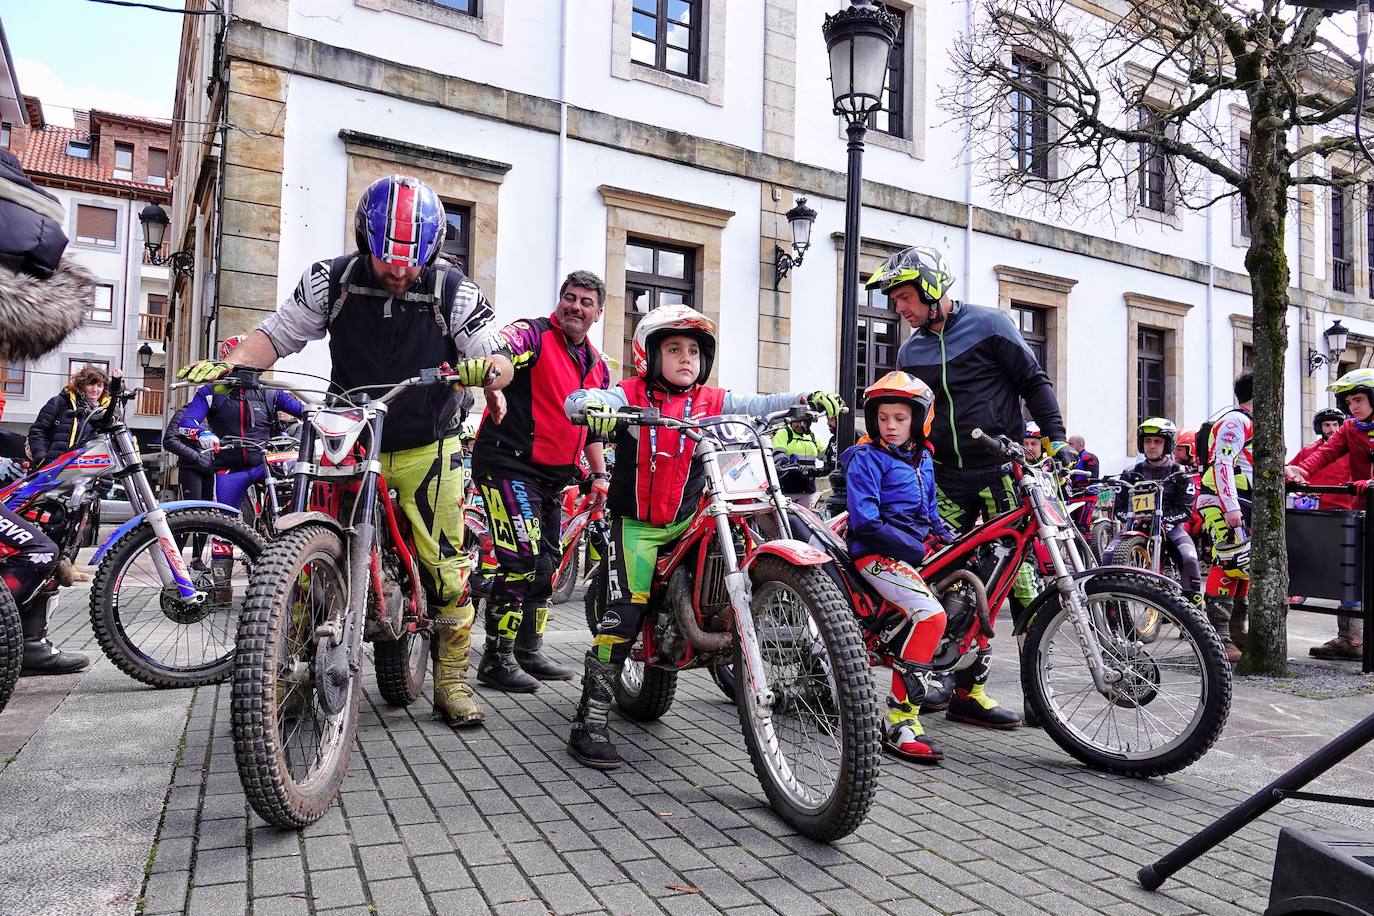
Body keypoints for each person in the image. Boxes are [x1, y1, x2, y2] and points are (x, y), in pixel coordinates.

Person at [178, 173, 512, 727]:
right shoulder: (329, 281)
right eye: (387, 260)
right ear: (364, 240)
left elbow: (496, 353)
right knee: (305, 556)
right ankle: (292, 670)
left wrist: (491, 372)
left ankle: (452, 681)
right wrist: (228, 368)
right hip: (350, 434)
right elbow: (277, 335)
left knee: (448, 567)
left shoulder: (455, 291)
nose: (399, 272)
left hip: (428, 442)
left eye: (411, 262)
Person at [562, 305, 846, 769]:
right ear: (650, 354)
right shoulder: (629, 394)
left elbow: (757, 404)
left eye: (693, 351)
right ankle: (589, 718)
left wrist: (805, 397)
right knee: (625, 611)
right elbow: (588, 398)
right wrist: (588, 405)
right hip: (638, 526)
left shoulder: (711, 400)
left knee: (740, 545)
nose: (685, 358)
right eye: (674, 349)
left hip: (689, 518)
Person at [878, 245, 1070, 729]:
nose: (899, 309)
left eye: (904, 298)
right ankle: (957, 686)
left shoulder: (991, 324)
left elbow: (1034, 382)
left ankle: (1037, 695)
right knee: (944, 576)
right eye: (895, 301)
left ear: (931, 289)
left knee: (1019, 584)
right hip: (943, 477)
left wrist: (1057, 438)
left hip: (1000, 472)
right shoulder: (910, 350)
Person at [469, 270, 612, 694]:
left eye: (586, 302)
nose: (576, 306)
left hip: (554, 479)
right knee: (520, 559)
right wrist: (494, 371)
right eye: (570, 297)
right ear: (560, 300)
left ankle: (528, 650)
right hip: (507, 465)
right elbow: (503, 350)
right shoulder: (533, 334)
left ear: (598, 313)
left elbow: (592, 429)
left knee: (547, 564)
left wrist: (599, 475)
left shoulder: (599, 367)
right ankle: (495, 659)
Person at [0, 147, 98, 674]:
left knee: (56, 529)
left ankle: (31, 640)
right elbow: (39, 430)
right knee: (37, 549)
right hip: (51, 467)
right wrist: (35, 457)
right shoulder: (60, 403)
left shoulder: (94, 406)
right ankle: (13, 639)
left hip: (67, 476)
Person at [841, 371, 956, 763]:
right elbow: (866, 522)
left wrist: (949, 537)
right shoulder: (866, 458)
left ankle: (968, 693)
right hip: (875, 555)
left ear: (918, 420)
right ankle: (900, 722)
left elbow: (931, 513)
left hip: (911, 551)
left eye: (900, 418)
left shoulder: (923, 458)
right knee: (931, 616)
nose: (890, 426)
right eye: (883, 418)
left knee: (971, 593)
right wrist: (914, 548)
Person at [1286, 374, 1374, 660]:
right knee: (1352, 572)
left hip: (1365, 505)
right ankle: (1351, 639)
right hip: (1362, 511)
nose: (1353, 407)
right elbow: (1325, 452)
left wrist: (1368, 483)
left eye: (1359, 400)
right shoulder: (1350, 428)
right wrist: (1301, 470)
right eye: (1349, 402)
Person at [179, 336, 304, 520]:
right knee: (224, 525)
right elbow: (186, 423)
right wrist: (202, 433)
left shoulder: (270, 391)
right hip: (228, 468)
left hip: (264, 463)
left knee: (290, 502)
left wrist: (325, 415)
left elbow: (304, 412)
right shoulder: (210, 391)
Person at [1109, 418, 1202, 607]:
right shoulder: (1130, 472)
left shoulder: (1180, 472)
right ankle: (1111, 606)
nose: (1151, 446)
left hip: (1170, 527)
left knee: (1190, 558)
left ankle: (1193, 608)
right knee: (1108, 556)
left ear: (1167, 444)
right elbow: (1118, 509)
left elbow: (1186, 509)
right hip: (1136, 526)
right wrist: (1135, 518)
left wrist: (1164, 519)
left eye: (1157, 441)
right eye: (1148, 441)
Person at [1197, 373, 1254, 663]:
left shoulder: (1253, 422)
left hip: (1244, 501)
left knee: (1244, 566)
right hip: (1222, 502)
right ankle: (1218, 637)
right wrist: (1230, 506)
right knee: (1229, 561)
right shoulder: (1236, 420)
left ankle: (1236, 631)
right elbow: (1223, 462)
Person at [28, 365, 112, 467]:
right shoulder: (60, 402)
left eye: (99, 386)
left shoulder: (107, 411)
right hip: (55, 468)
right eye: (91, 384)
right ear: (81, 384)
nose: (95, 389)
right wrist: (42, 459)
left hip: (91, 470)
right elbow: (38, 430)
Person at [773, 411, 823, 509]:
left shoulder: (812, 436)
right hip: (787, 488)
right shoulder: (784, 433)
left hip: (807, 488)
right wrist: (787, 464)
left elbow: (824, 454)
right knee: (787, 516)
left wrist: (829, 465)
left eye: (803, 422)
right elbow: (778, 453)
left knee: (805, 516)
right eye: (796, 422)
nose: (799, 425)